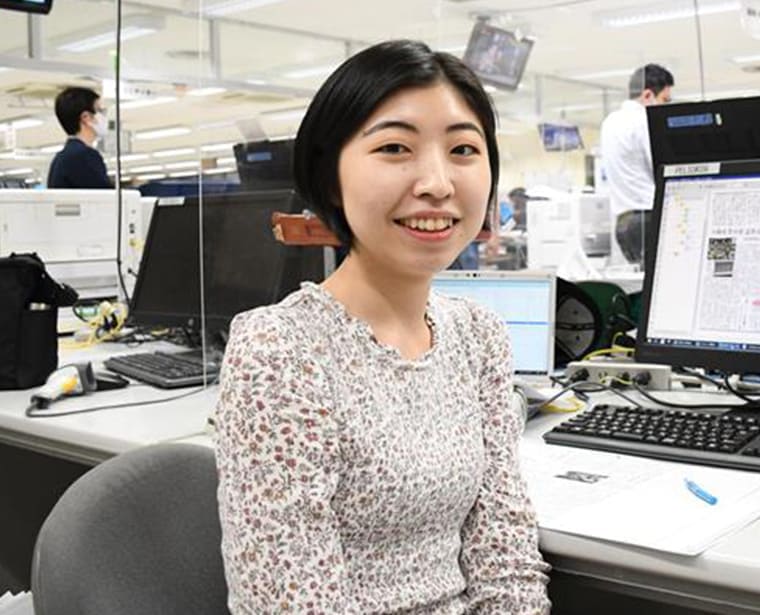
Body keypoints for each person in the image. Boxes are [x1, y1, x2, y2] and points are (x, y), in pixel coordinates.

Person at [214, 39, 550, 614]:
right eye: (395, 147)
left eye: (463, 149)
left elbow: (505, 552)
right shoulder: (280, 351)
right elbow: (294, 603)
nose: (438, 183)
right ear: (330, 176)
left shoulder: (478, 335)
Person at [600, 63, 674, 266]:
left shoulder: (610, 121)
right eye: (664, 100)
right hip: (648, 217)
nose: (665, 107)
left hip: (623, 222)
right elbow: (661, 167)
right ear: (648, 95)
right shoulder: (645, 120)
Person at [47, 86, 111, 189]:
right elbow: (107, 195)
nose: (105, 116)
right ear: (86, 117)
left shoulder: (62, 157)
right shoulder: (83, 156)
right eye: (100, 111)